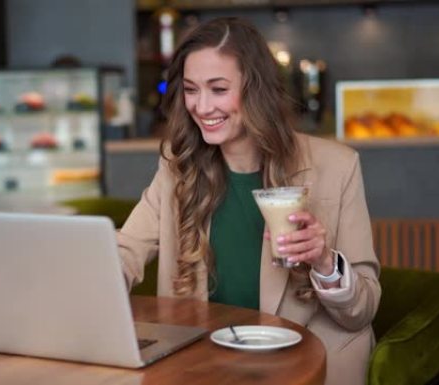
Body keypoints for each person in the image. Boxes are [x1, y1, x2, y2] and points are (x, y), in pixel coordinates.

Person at [117, 17, 381, 385]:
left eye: (219, 89)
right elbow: (126, 250)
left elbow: (362, 311)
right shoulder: (177, 168)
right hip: (205, 363)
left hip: (306, 366)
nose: (202, 106)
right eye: (191, 89)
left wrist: (323, 260)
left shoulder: (336, 167)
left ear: (256, 89)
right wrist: (88, 278)